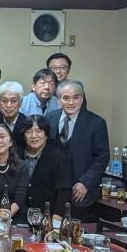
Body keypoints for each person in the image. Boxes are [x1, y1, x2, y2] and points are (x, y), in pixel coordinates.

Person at [45, 80, 110, 220]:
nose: (71, 102)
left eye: (76, 97)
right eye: (66, 98)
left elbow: (102, 158)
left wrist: (86, 183)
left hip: (80, 190)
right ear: (59, 100)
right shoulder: (50, 118)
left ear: (82, 98)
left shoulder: (96, 123)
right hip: (53, 190)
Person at [16, 114, 71, 213]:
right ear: (23, 135)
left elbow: (64, 190)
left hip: (48, 214)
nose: (33, 136)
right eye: (28, 131)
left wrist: (57, 216)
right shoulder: (16, 155)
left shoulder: (58, 157)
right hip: (18, 213)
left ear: (46, 134)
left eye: (39, 131)